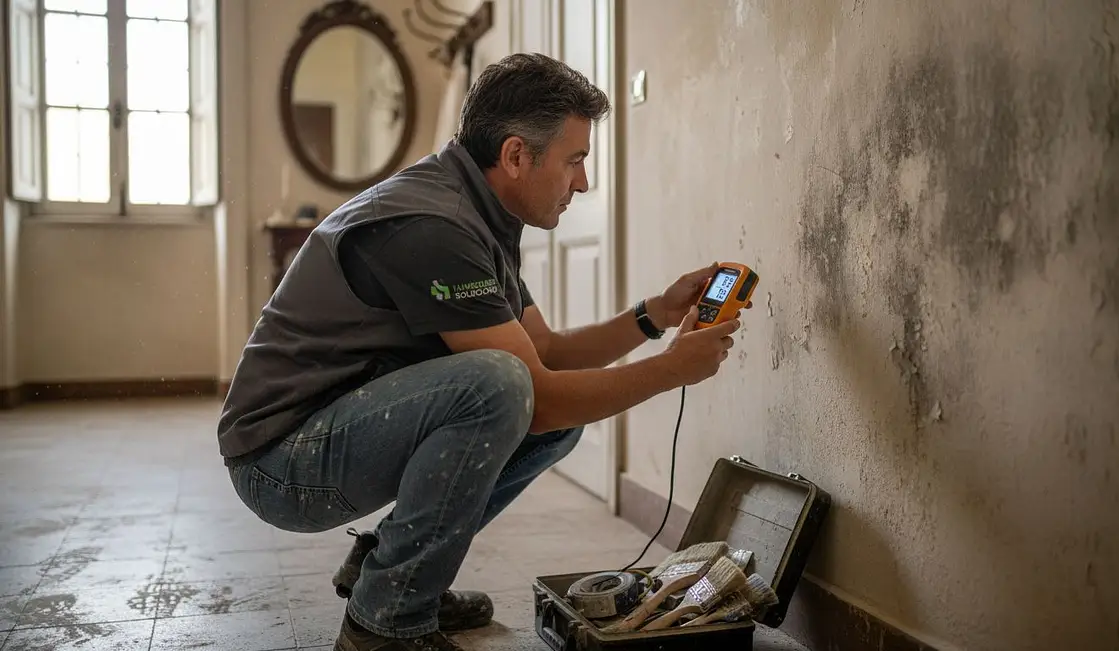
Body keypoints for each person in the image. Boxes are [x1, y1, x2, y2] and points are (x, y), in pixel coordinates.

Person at [217, 52, 747, 651]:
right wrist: (671, 370)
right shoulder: (433, 225)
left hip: (327, 433)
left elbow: (542, 351)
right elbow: (534, 391)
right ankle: (384, 624)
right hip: (281, 465)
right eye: (574, 161)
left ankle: (390, 573)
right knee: (501, 387)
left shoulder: (475, 207)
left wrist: (654, 315)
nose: (583, 182)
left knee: (547, 418)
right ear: (517, 155)